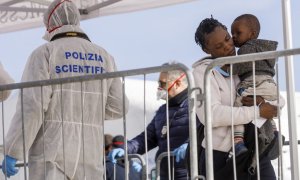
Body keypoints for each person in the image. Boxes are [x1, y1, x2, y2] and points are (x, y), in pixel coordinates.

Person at [1, 0, 128, 179]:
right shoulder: (105, 57)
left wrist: (13, 150)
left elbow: (32, 107)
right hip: (90, 153)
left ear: (49, 25)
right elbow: (119, 106)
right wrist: (87, 110)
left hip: (53, 152)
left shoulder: (45, 53)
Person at [192, 17, 283, 180]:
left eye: (228, 39)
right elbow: (211, 115)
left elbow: (276, 99)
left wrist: (263, 103)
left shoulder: (244, 63)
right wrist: (257, 111)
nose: (228, 47)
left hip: (255, 148)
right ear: (207, 50)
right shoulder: (203, 72)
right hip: (222, 155)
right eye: (219, 46)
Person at [108, 64, 191, 180]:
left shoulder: (196, 107)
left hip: (189, 175)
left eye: (162, 84)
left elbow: (208, 135)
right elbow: (146, 139)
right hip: (164, 176)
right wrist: (124, 149)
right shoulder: (162, 111)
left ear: (177, 83)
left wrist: (192, 146)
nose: (159, 88)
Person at [231, 14, 279, 157]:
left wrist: (227, 67)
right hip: (269, 84)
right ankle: (275, 133)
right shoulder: (266, 50)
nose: (233, 36)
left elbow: (239, 68)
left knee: (237, 106)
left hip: (253, 82)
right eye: (232, 33)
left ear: (252, 34)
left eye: (238, 33)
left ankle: (237, 140)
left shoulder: (246, 49)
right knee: (267, 111)